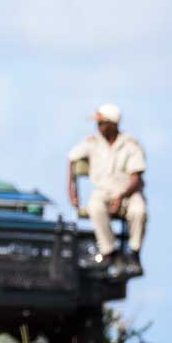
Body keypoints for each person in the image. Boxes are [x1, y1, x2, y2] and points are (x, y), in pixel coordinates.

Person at [68, 104, 147, 275]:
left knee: (138, 211)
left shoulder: (130, 145)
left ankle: (134, 254)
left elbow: (137, 178)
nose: (98, 127)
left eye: (102, 123)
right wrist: (71, 190)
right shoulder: (93, 143)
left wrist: (121, 197)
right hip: (103, 191)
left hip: (128, 191)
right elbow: (72, 158)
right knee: (95, 206)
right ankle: (110, 252)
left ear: (113, 124)